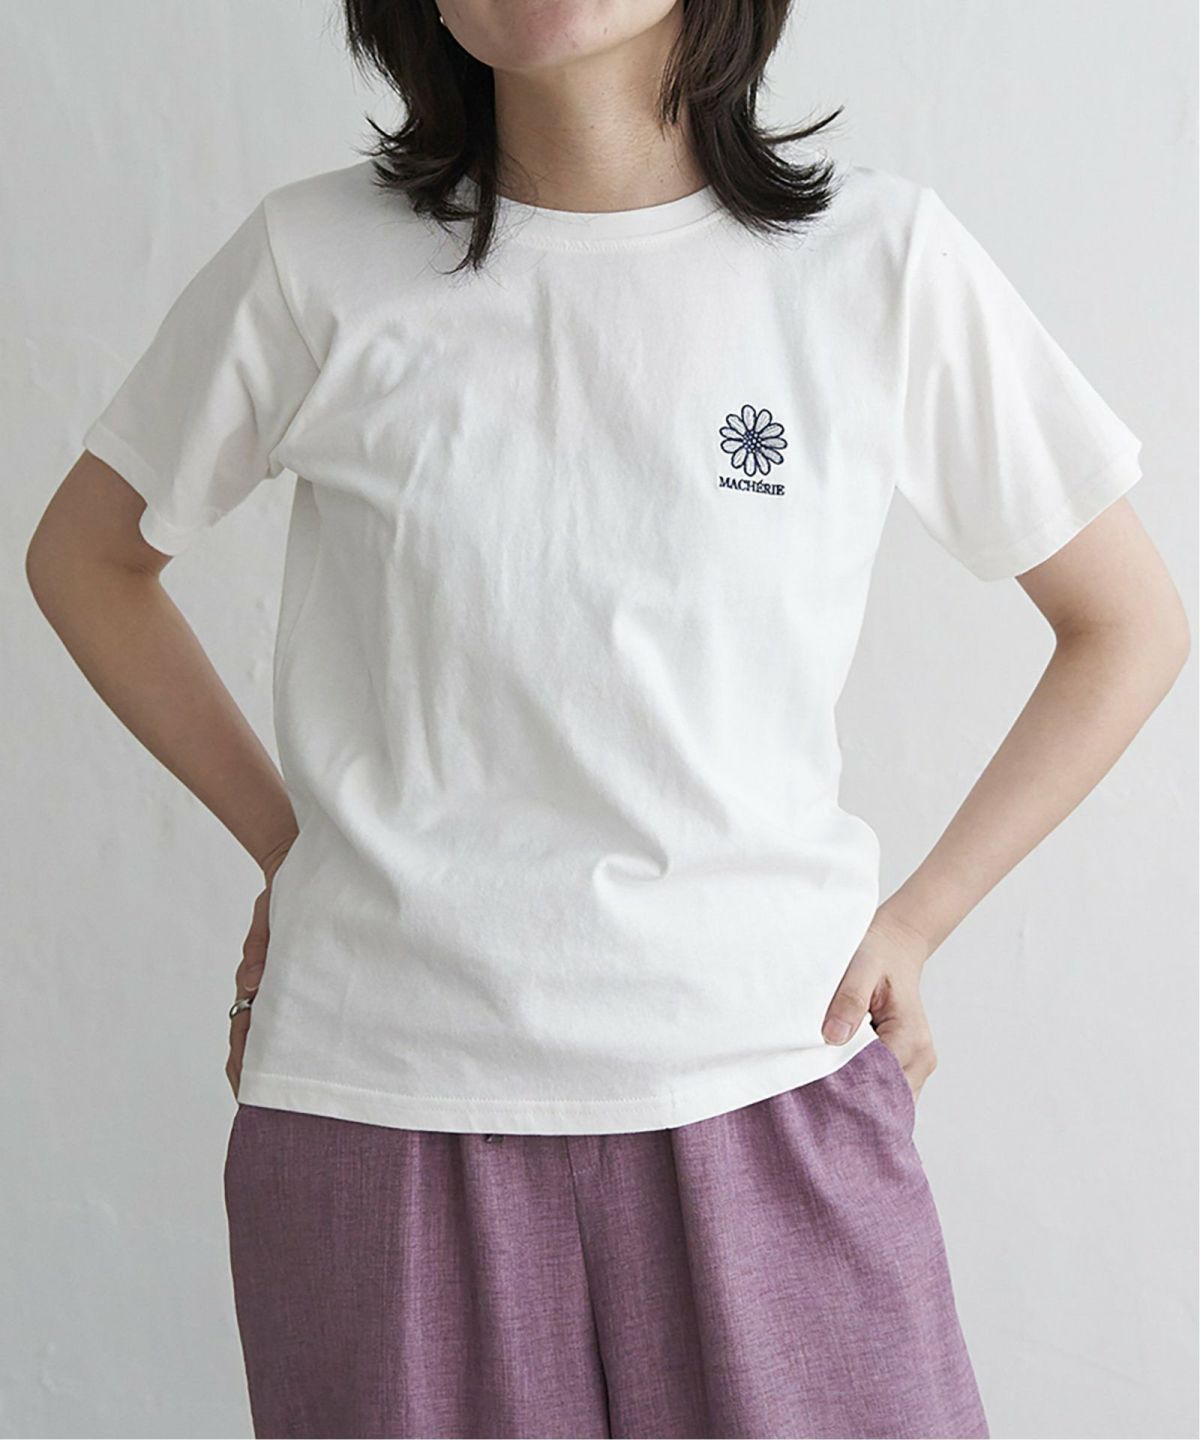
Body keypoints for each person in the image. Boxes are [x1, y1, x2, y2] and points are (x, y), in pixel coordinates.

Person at [26, 2, 1189, 1437]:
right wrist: (293, 849)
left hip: (770, 1080)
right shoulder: (312, 262)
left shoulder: (876, 261)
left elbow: (1126, 622)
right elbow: (86, 559)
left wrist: (918, 921)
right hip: (382, 1106)